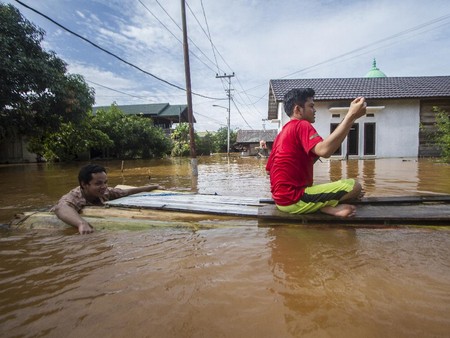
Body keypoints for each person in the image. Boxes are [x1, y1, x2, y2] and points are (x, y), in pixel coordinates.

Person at [265, 88, 367, 217]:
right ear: (298, 110)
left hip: (280, 201)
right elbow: (325, 151)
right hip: (294, 200)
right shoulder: (301, 125)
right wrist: (351, 115)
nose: (315, 110)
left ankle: (325, 207)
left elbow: (269, 170)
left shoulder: (281, 134)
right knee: (354, 186)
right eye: (311, 106)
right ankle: (324, 207)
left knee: (345, 190)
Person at [52, 163, 161, 234]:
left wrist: (153, 187)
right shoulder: (75, 195)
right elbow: (61, 207)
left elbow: (126, 192)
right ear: (84, 184)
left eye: (105, 182)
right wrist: (81, 223)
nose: (104, 187)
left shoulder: (105, 192)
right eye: (98, 183)